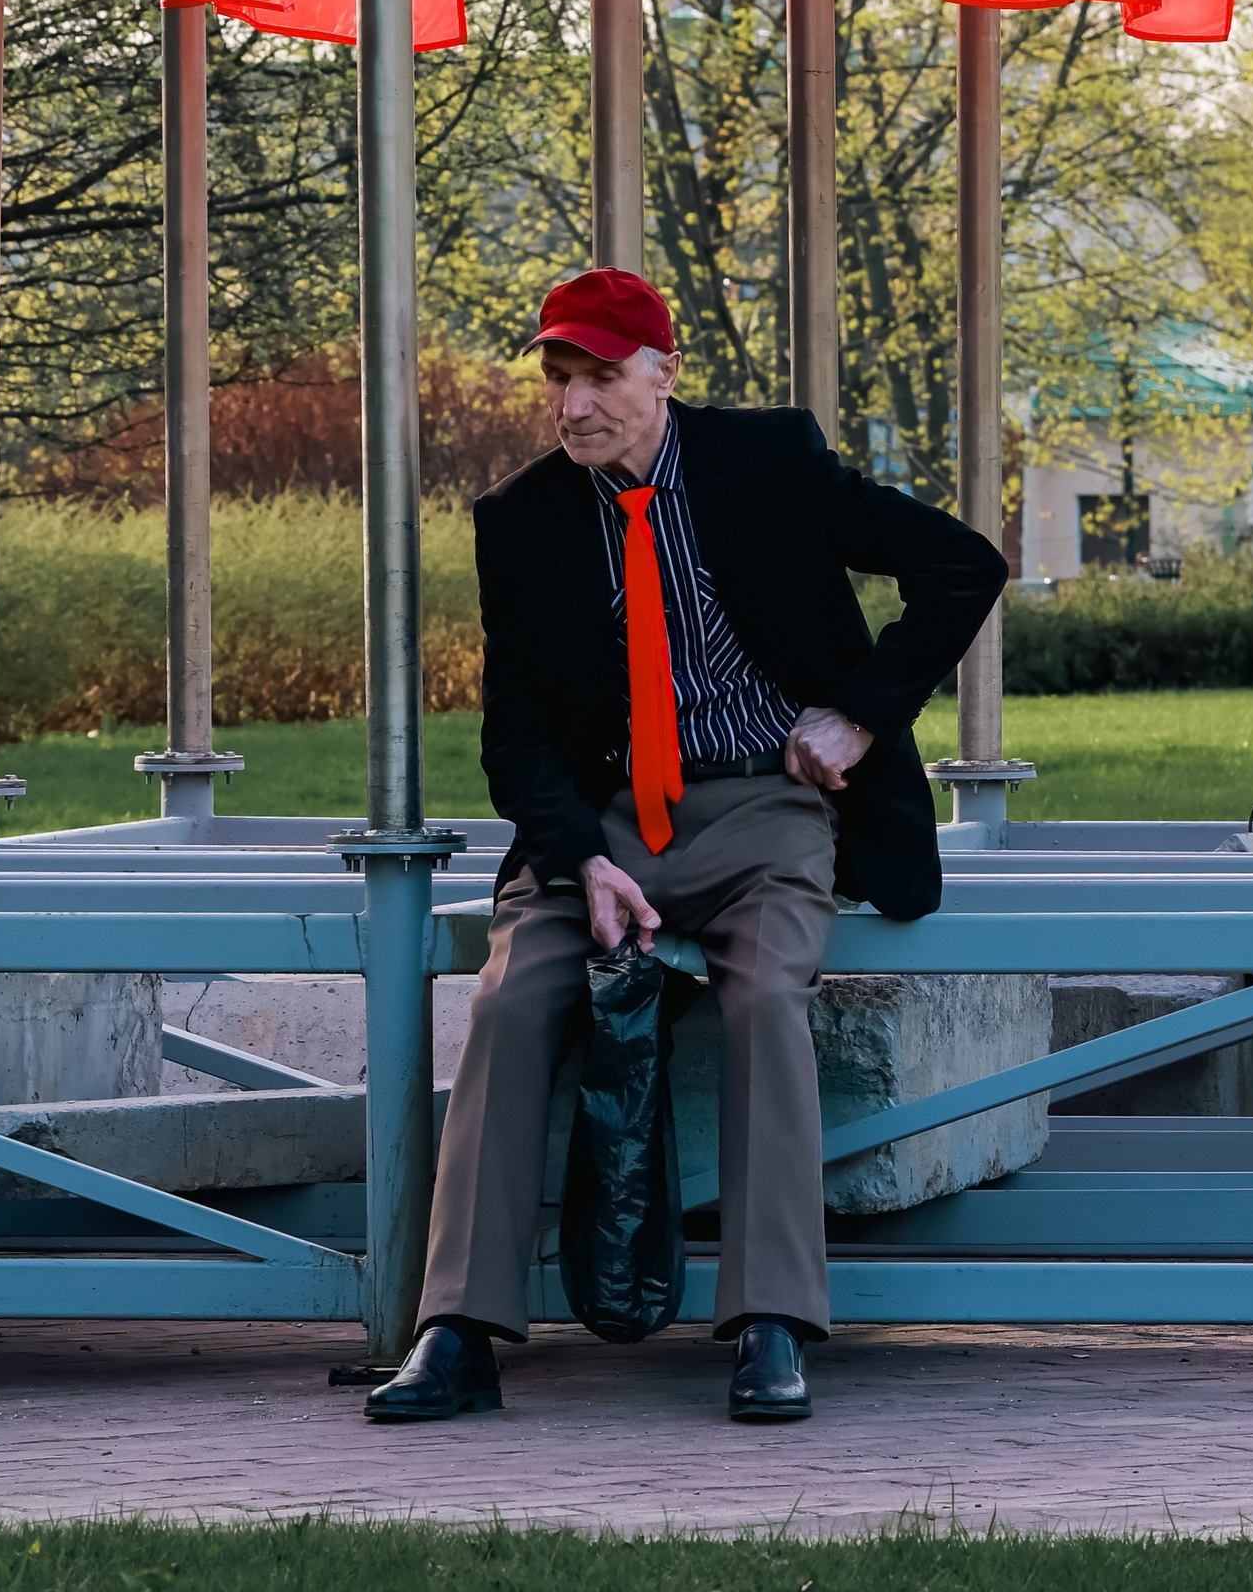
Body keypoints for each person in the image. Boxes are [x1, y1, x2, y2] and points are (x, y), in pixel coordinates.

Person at [367, 265, 1007, 1426]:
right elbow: (514, 737)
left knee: (765, 1001)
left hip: (765, 807)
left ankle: (770, 1323)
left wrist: (858, 711)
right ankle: (455, 1329)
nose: (572, 406)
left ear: (664, 375)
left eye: (600, 377)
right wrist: (579, 858)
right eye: (557, 379)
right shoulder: (519, 520)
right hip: (603, 828)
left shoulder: (767, 460)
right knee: (508, 1002)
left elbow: (965, 562)